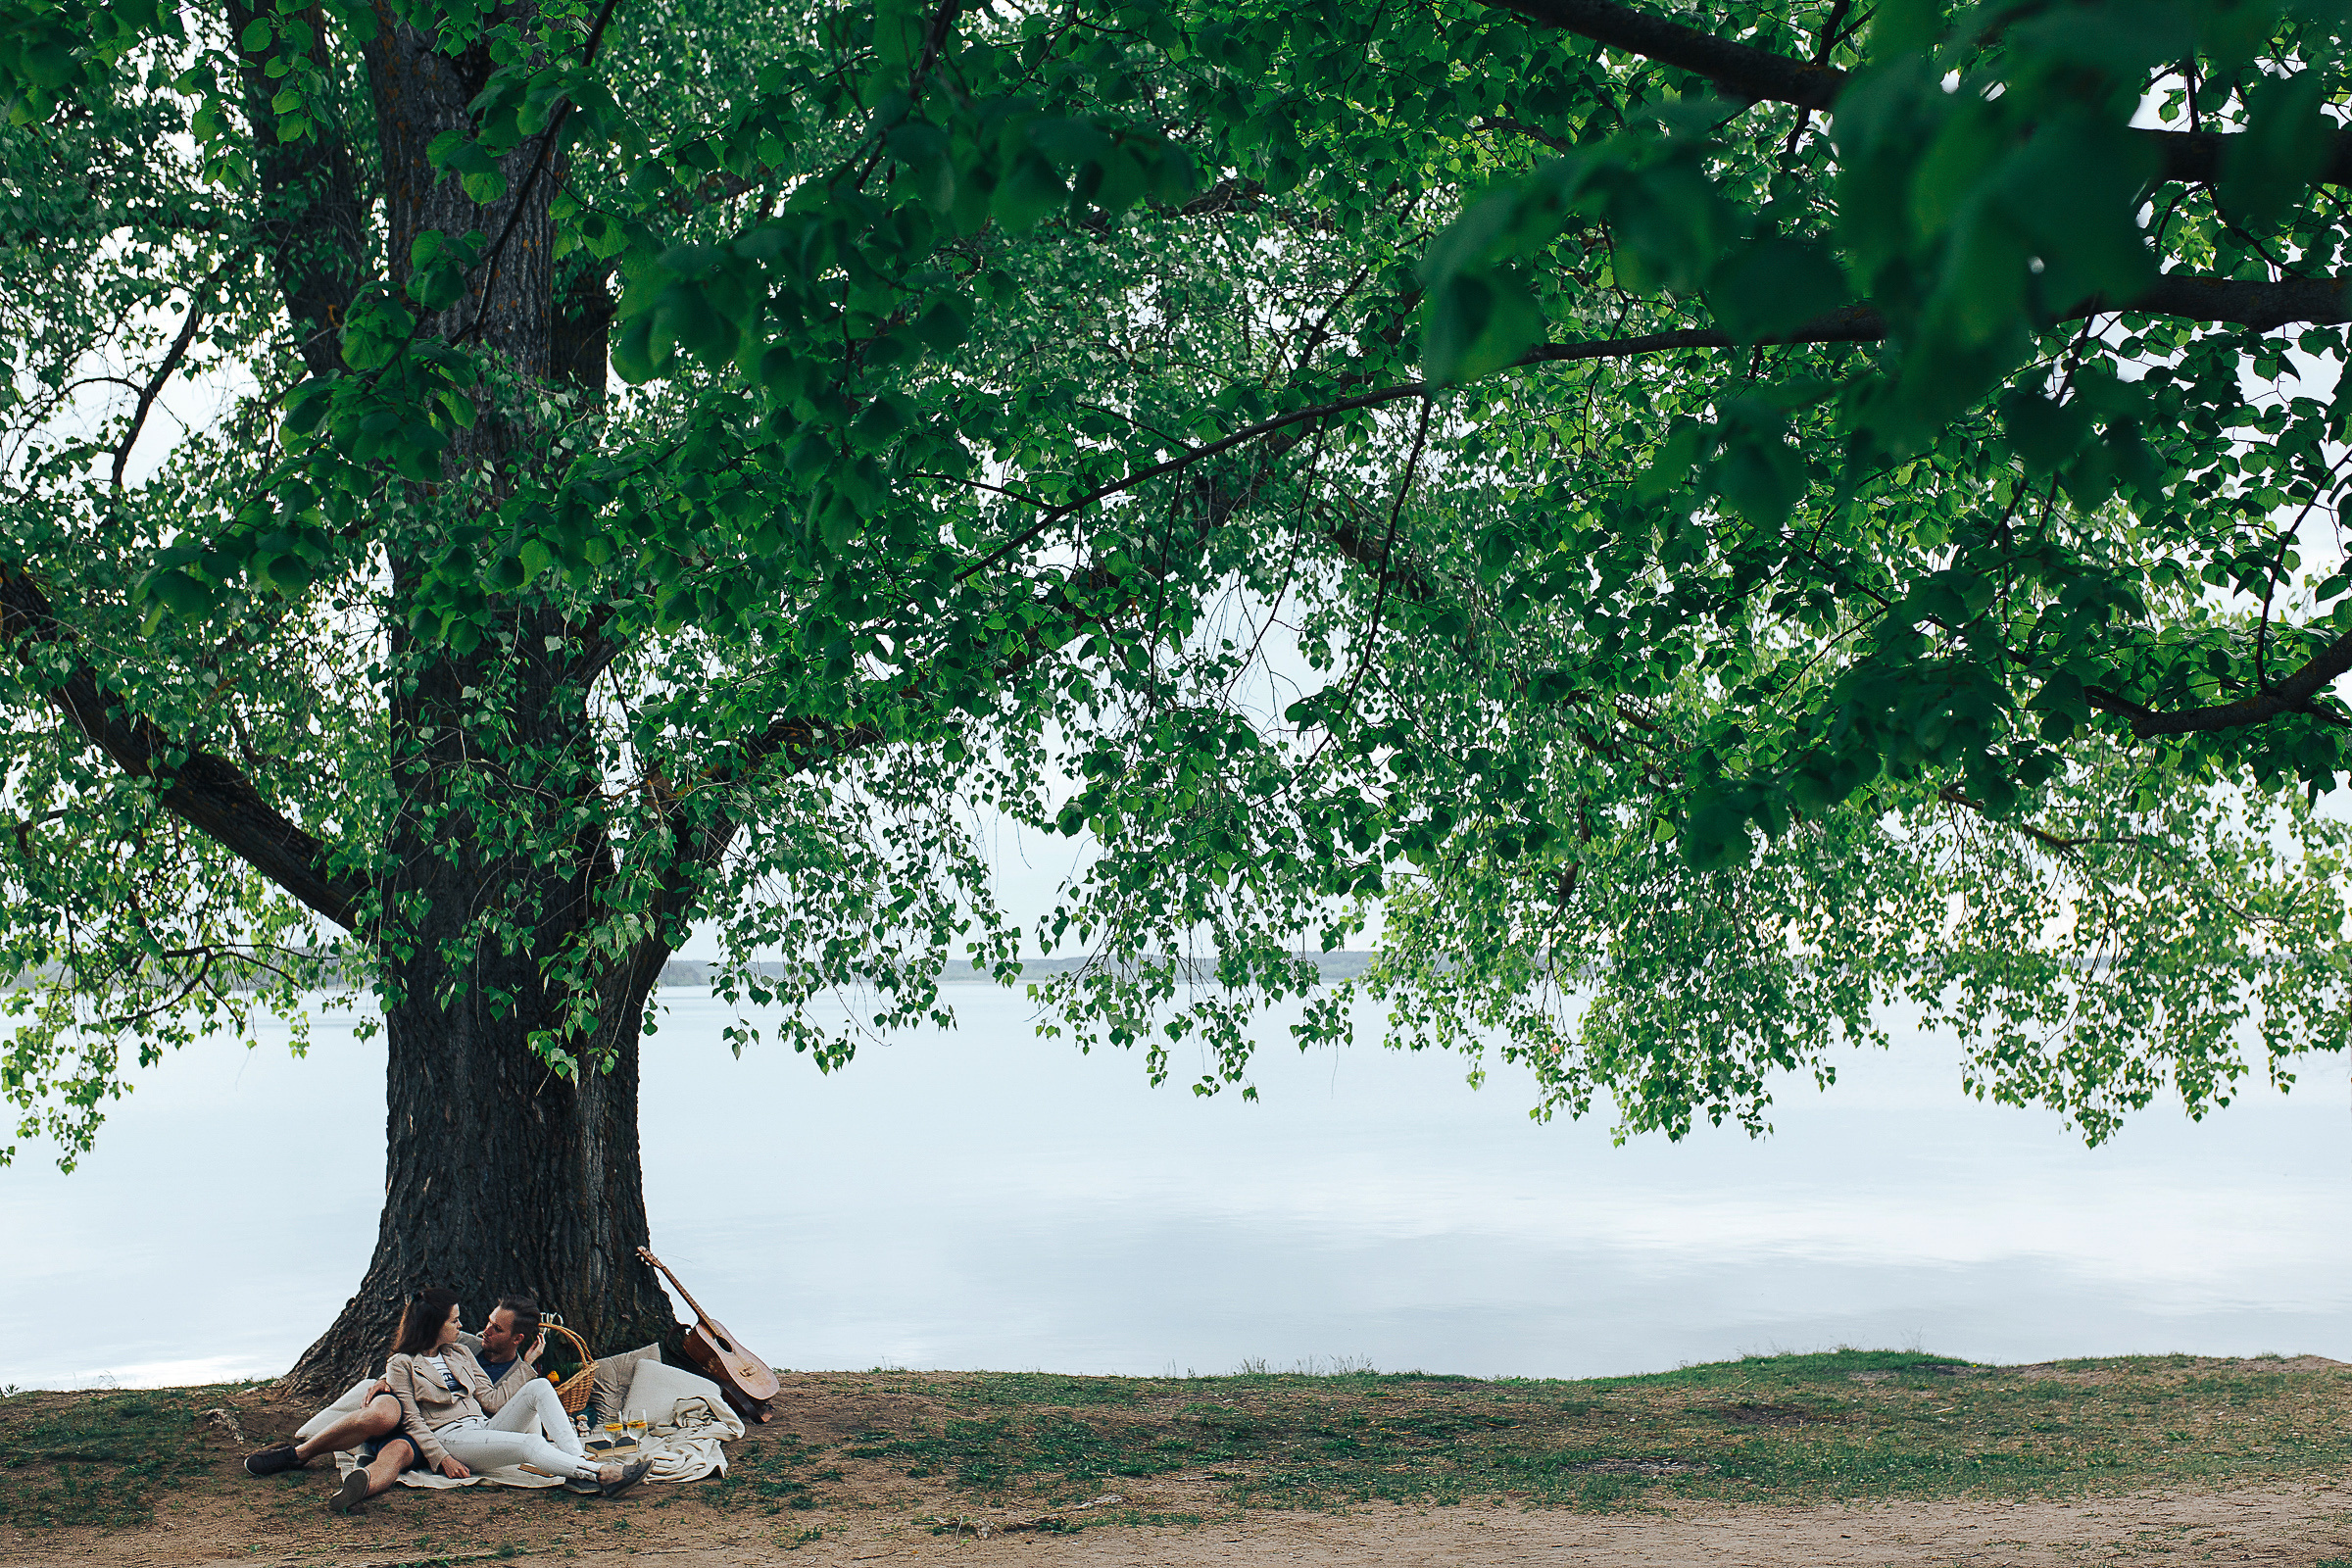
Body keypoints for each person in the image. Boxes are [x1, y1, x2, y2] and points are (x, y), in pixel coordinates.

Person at [376, 1287, 649, 1512]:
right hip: (450, 1437)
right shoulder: (403, 1363)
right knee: (531, 1441)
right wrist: (442, 1459)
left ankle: (579, 1467)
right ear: (434, 1325)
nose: (462, 1325)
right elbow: (412, 1421)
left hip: (481, 1428)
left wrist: (527, 1364)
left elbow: (492, 1402)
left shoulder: (459, 1352)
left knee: (541, 1386)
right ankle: (601, 1474)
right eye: (453, 1320)